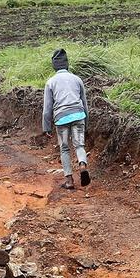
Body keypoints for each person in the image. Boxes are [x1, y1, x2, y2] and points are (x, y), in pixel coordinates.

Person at [42, 49, 91, 190]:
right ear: (67, 64)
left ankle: (69, 181)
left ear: (54, 66)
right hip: (79, 115)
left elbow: (47, 108)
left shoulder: (50, 82)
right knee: (79, 145)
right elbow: (84, 103)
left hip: (61, 118)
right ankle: (82, 165)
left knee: (64, 148)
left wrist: (46, 127)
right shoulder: (77, 79)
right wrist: (86, 123)